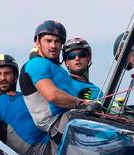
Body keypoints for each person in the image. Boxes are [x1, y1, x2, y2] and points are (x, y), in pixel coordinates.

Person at [19, 20, 90, 148]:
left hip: (70, 118)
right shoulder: (36, 64)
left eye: (57, 41)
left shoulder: (57, 68)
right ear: (37, 42)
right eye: (48, 41)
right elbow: (53, 95)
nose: (53, 45)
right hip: (58, 125)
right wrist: (82, 103)